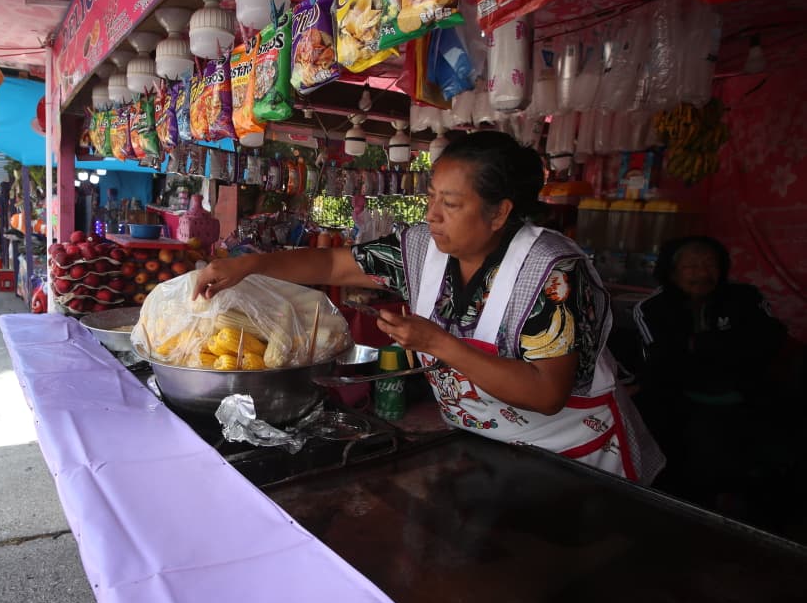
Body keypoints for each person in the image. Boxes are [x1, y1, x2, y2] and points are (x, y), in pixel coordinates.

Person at [194, 131, 664, 483]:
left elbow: (546, 393)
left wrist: (437, 342)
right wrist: (251, 265)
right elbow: (337, 265)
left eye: (451, 203)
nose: (432, 214)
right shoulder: (422, 248)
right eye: (431, 198)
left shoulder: (552, 272)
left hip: (575, 461)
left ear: (499, 212)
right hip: (488, 450)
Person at [633, 236, 801, 520]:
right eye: (692, 266)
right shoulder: (652, 308)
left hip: (748, 396)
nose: (702, 272)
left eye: (710, 264)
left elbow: (771, 339)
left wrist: (699, 344)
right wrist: (731, 345)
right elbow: (665, 362)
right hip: (682, 404)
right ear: (672, 271)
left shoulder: (746, 297)